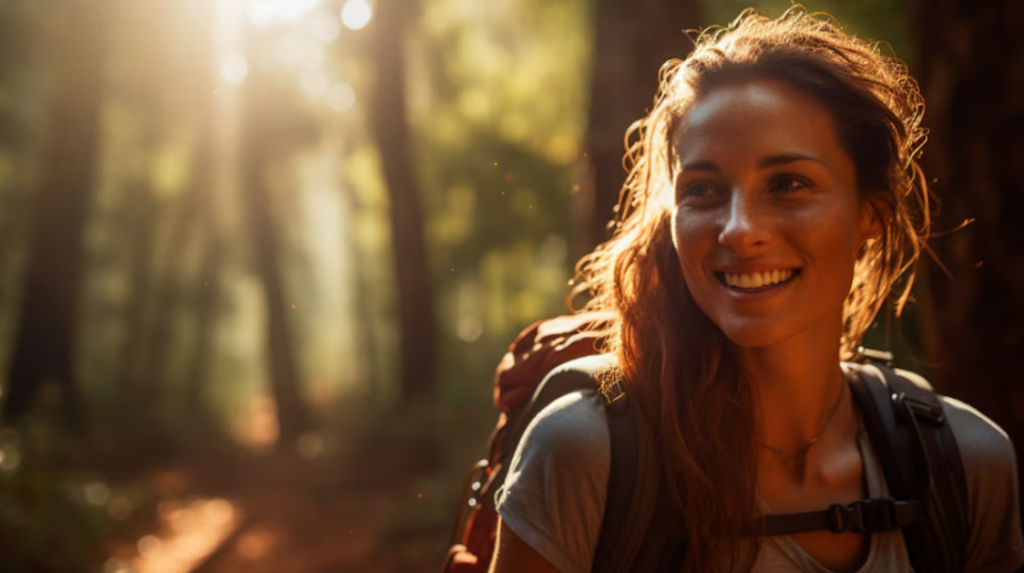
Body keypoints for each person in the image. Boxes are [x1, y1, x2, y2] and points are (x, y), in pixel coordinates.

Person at [487, 6, 1024, 573]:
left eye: (788, 184)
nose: (740, 230)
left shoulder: (967, 467)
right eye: (703, 189)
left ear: (871, 210)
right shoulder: (582, 454)